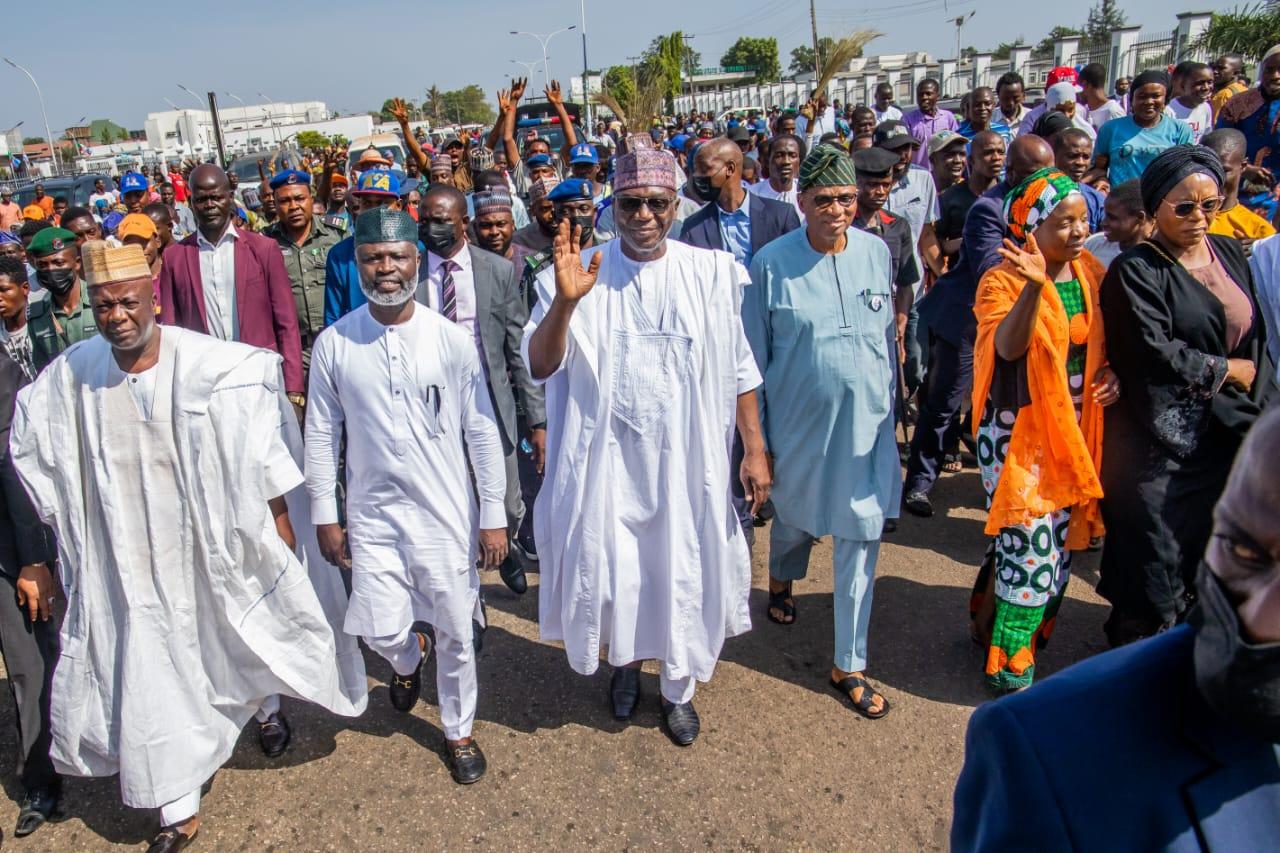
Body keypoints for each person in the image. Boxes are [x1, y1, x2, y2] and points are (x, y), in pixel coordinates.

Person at [11, 240, 364, 852]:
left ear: (152, 294)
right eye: (102, 306)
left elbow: (261, 442)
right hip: (128, 560)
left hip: (208, 544)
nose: (115, 316)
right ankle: (176, 804)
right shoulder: (73, 373)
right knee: (152, 666)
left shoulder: (213, 365)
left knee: (235, 634)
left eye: (125, 301)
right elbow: (30, 441)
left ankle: (266, 710)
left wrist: (278, 521)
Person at [522, 148, 771, 746]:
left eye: (657, 203)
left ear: (675, 204)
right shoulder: (579, 270)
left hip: (689, 462)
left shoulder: (710, 273)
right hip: (608, 463)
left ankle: (677, 688)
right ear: (613, 204)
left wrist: (754, 449)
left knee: (681, 568)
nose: (643, 215)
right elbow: (540, 363)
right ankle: (626, 667)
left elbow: (740, 369)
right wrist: (566, 301)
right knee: (618, 574)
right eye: (630, 203)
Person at [952, 405, 1280, 851]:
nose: (1261, 616)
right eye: (1241, 551)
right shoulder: (1045, 754)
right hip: (1025, 453)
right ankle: (1006, 661)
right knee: (1028, 564)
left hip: (1072, 451)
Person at [306, 207, 504, 784]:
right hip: (371, 516)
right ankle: (408, 657)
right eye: (373, 258)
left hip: (445, 513)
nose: (385, 268)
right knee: (379, 627)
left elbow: (481, 429)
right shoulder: (336, 345)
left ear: (416, 262)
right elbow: (321, 434)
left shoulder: (449, 340)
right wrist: (326, 513)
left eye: (396, 257)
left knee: (457, 630)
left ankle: (458, 729)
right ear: (358, 263)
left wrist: (492, 515)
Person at [744, 144, 899, 719]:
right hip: (799, 428)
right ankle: (782, 581)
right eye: (825, 199)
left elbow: (886, 340)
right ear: (802, 201)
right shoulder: (769, 263)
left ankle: (848, 662)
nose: (837, 210)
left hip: (866, 430)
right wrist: (756, 445)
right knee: (794, 520)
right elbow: (752, 362)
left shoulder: (877, 253)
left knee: (861, 533)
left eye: (846, 199)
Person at [1098, 145, 1268, 647]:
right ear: (1154, 209)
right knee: (1153, 561)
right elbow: (1153, 352)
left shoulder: (1231, 251)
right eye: (1184, 207)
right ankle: (1136, 664)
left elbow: (1254, 334)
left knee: (1210, 553)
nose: (1199, 217)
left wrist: (1252, 391)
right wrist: (1226, 371)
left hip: (1227, 431)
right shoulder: (1136, 270)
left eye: (1209, 205)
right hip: (1157, 441)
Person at [968, 167, 1119, 691]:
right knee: (1030, 543)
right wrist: (1033, 288)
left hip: (1073, 429)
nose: (1078, 231)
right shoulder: (1001, 279)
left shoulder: (1090, 275)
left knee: (1057, 541)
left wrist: (1112, 374)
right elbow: (1008, 347)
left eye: (1082, 220)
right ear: (1032, 229)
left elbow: (1105, 345)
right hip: (1017, 433)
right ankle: (1008, 658)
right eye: (1064, 222)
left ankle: (998, 622)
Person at [906, 134, 1056, 517]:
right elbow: (992, 267)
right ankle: (919, 484)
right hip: (967, 319)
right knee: (944, 402)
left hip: (1018, 322)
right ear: (1016, 173)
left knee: (1007, 406)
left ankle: (1002, 486)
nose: (1049, 182)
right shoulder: (990, 210)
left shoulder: (1053, 206)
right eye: (1039, 175)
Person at [415, 184, 545, 595]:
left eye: (442, 220)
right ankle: (463, 592)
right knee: (446, 499)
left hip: (489, 398)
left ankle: (505, 548)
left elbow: (517, 348)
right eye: (426, 220)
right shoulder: (411, 271)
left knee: (506, 499)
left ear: (463, 223)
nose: (433, 228)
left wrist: (537, 419)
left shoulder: (496, 270)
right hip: (430, 402)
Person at [157, 164, 305, 404]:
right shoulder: (175, 257)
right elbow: (170, 331)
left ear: (230, 197)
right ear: (191, 203)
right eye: (202, 199)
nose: (209, 205)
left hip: (260, 377)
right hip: (204, 386)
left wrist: (294, 388)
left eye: (216, 197)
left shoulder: (263, 249)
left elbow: (287, 322)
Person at [0, 256, 57, 837]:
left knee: (28, 663)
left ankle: (41, 778)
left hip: (15, 545)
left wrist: (33, 558)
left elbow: (13, 468)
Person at [877, 120, 941, 396]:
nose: (902, 156)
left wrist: (943, 275)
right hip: (875, 294)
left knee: (915, 362)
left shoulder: (923, 179)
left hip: (911, 290)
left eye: (908, 149)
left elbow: (926, 235)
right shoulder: (864, 183)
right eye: (895, 149)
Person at [680, 138, 802, 270]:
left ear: (730, 168)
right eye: (696, 170)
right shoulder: (693, 227)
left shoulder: (781, 216)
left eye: (704, 169)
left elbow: (796, 269)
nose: (697, 176)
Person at [262, 170, 345, 362]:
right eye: (284, 201)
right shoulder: (265, 242)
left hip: (336, 343)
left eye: (300, 198)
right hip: (292, 351)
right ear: (274, 204)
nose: (293, 207)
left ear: (311, 199)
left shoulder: (336, 236)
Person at [322, 169, 405, 326]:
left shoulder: (416, 249)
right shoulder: (339, 256)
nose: (375, 211)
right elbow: (333, 319)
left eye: (382, 203)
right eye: (367, 203)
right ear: (359, 207)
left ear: (398, 206)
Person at [851, 146, 921, 322]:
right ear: (856, 184)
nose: (881, 192)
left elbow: (905, 284)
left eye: (886, 185)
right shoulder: (842, 227)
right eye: (873, 185)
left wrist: (901, 321)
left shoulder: (898, 226)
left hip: (886, 319)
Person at [1090, 70, 1192, 187]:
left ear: (1166, 99)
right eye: (1142, 96)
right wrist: (1102, 181)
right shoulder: (1110, 129)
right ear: (1132, 99)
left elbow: (1186, 172)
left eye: (1156, 96)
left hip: (1162, 201)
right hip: (1122, 200)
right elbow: (1098, 168)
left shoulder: (1181, 130)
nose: (1149, 102)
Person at [26, 227, 97, 372]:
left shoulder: (100, 302)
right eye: (42, 265)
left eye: (58, 263)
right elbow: (42, 372)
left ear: (77, 263)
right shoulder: (37, 316)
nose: (51, 270)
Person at [936, 131, 1006, 272]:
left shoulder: (1010, 196)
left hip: (1002, 279)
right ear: (972, 160)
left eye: (1001, 152)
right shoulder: (950, 197)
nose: (996, 158)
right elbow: (940, 244)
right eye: (988, 153)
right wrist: (971, 238)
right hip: (963, 281)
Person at [1215, 45, 1280, 186]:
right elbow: (1217, 146)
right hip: (1237, 192)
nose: (1275, 76)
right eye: (1269, 70)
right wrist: (1244, 169)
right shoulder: (1237, 104)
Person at [1203, 128, 1277, 249]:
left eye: (1224, 170)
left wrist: (1259, 251)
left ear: (1243, 166)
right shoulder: (1184, 217)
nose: (1214, 177)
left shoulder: (1259, 233)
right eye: (1207, 168)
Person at [1083, 180, 1152, 269]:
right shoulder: (1094, 244)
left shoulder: (1154, 261)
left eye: (1112, 217)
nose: (1103, 223)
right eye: (1105, 214)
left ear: (1140, 217)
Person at [1052, 128, 1104, 232]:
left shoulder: (1095, 199)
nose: (1080, 162)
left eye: (1086, 157)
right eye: (1072, 156)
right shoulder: (1038, 195)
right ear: (1054, 156)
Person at [748, 133, 806, 222]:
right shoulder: (752, 195)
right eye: (779, 155)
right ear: (768, 161)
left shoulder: (806, 193)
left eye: (792, 156)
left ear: (799, 162)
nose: (786, 161)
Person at [903, 78, 959, 166]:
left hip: (943, 172)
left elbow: (956, 145)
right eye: (920, 95)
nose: (924, 97)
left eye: (928, 94)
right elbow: (902, 147)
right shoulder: (908, 119)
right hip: (919, 172)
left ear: (938, 96)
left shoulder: (948, 117)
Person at [1168, 60, 1215, 144]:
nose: (1206, 87)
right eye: (1199, 83)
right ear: (1183, 85)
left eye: (1210, 82)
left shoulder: (1206, 108)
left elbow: (1206, 137)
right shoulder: (1169, 110)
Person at [511, 176, 559, 254]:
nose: (552, 215)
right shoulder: (518, 241)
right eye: (545, 209)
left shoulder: (579, 233)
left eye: (558, 207)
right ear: (533, 210)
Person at [471, 186, 517, 260]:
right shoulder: (470, 266)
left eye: (501, 224)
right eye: (485, 225)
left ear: (513, 225)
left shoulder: (530, 262)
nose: (494, 232)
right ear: (475, 228)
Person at [1079, 64, 1125, 133]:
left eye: (1079, 87)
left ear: (1085, 85)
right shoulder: (1083, 109)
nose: (1077, 93)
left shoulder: (1113, 111)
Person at [1209, 53, 1248, 121]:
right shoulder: (1246, 90)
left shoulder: (1224, 94)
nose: (1215, 71)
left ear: (1235, 73)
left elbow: (1215, 124)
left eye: (1221, 68)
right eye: (1214, 68)